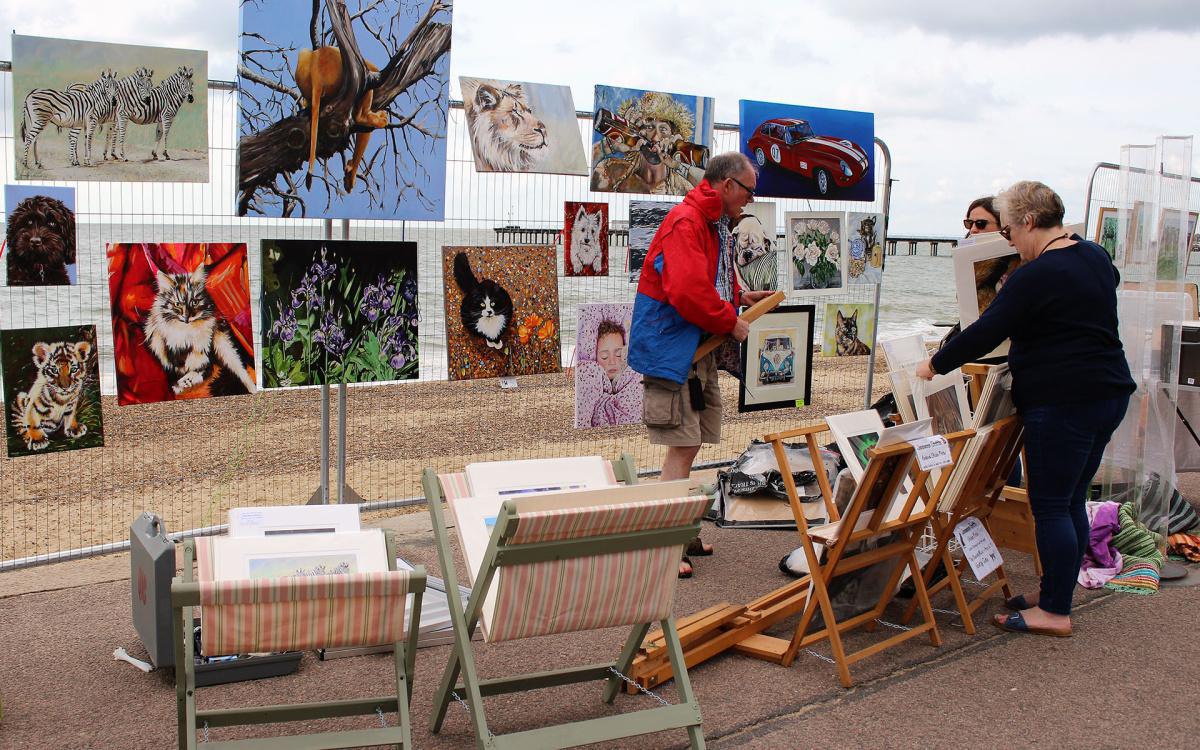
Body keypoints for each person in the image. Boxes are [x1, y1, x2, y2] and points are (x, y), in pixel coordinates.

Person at [916, 180, 1135, 637]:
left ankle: (1055, 612)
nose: (1009, 241)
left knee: (1051, 504)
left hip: (1064, 400)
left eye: (1011, 230)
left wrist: (934, 364)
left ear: (1030, 221)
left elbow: (986, 329)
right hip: (1108, 391)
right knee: (1072, 498)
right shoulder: (1094, 256)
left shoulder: (1037, 274)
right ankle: (1056, 591)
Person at [628, 151, 775, 577]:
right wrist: (730, 320)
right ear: (727, 185)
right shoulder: (688, 222)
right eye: (749, 190)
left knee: (688, 444)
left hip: (692, 348)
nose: (750, 199)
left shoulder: (708, 223)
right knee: (680, 447)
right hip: (673, 352)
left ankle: (682, 531)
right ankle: (665, 546)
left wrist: (735, 301)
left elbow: (703, 285)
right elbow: (688, 292)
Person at [576, 318, 641, 427]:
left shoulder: (633, 374)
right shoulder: (591, 374)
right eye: (604, 356)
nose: (612, 361)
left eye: (618, 354)